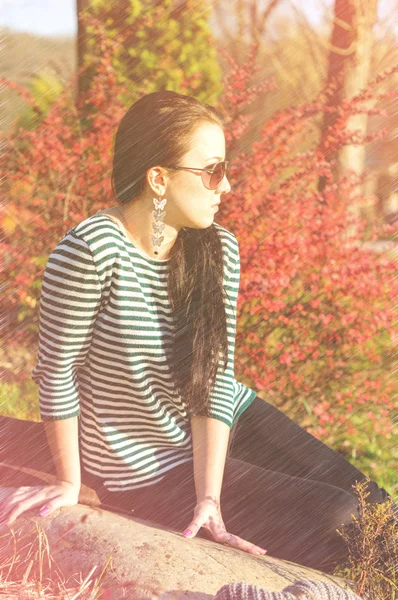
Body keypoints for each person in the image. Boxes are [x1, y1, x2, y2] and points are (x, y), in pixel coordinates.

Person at [1, 90, 390, 574]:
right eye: (213, 171)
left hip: (221, 417)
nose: (224, 187)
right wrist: (69, 482)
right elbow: (56, 371)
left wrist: (211, 495)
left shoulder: (218, 248)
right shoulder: (90, 251)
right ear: (158, 179)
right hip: (142, 461)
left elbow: (213, 376)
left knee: (377, 509)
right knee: (341, 519)